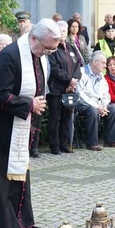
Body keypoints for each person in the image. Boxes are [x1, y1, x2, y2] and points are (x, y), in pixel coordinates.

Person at [0, 19, 59, 228]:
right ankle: (8, 223)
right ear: (34, 38)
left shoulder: (36, 54)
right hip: (3, 127)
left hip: (21, 123)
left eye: (53, 48)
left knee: (20, 172)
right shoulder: (10, 56)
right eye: (47, 47)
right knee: (5, 175)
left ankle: (23, 218)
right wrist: (29, 104)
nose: (49, 52)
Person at [47, 20, 82, 154]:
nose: (62, 33)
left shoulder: (71, 47)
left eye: (64, 31)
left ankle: (65, 144)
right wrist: (69, 81)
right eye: (60, 31)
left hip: (69, 89)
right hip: (56, 89)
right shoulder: (52, 49)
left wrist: (74, 81)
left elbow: (78, 66)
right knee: (55, 118)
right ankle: (54, 146)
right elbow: (54, 69)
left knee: (67, 117)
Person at [75, 51, 115, 150]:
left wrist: (104, 105)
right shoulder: (82, 72)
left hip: (99, 103)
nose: (105, 66)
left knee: (113, 110)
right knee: (92, 111)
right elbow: (80, 94)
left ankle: (110, 140)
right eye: (104, 63)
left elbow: (106, 93)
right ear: (95, 62)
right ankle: (92, 143)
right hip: (83, 104)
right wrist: (97, 107)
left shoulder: (100, 75)